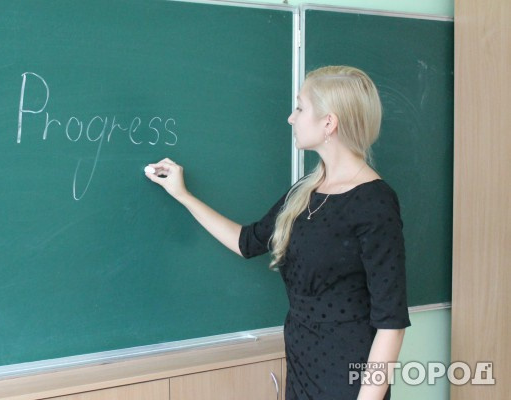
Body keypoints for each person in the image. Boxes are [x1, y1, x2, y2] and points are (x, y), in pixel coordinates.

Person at [145, 66, 410, 400]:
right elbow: (247, 242)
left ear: (329, 123)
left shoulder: (375, 202)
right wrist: (183, 195)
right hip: (301, 367)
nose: (290, 118)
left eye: (299, 108)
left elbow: (391, 324)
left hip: (348, 379)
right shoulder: (304, 191)